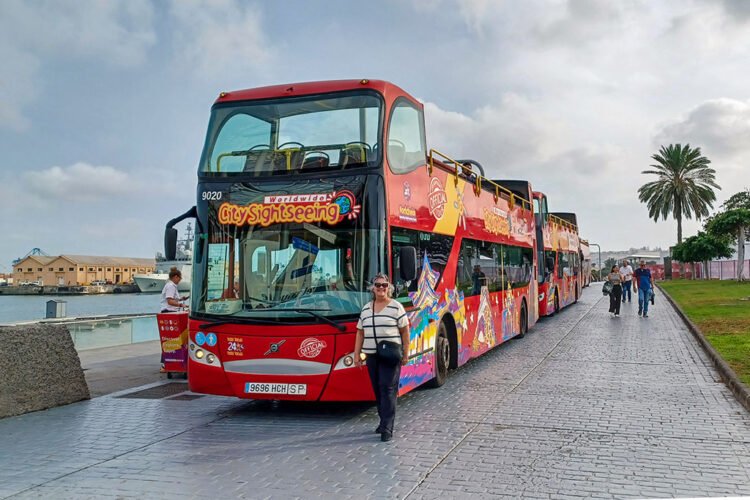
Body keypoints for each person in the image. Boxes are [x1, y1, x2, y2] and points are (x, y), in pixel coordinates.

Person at [353, 273, 410, 442]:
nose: (381, 288)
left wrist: (406, 353)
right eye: (378, 285)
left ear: (389, 288)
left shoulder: (396, 307)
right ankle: (382, 420)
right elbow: (360, 332)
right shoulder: (366, 308)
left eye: (384, 285)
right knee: (378, 389)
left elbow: (405, 332)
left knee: (388, 388)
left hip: (390, 355)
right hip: (372, 355)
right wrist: (357, 354)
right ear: (373, 288)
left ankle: (387, 427)